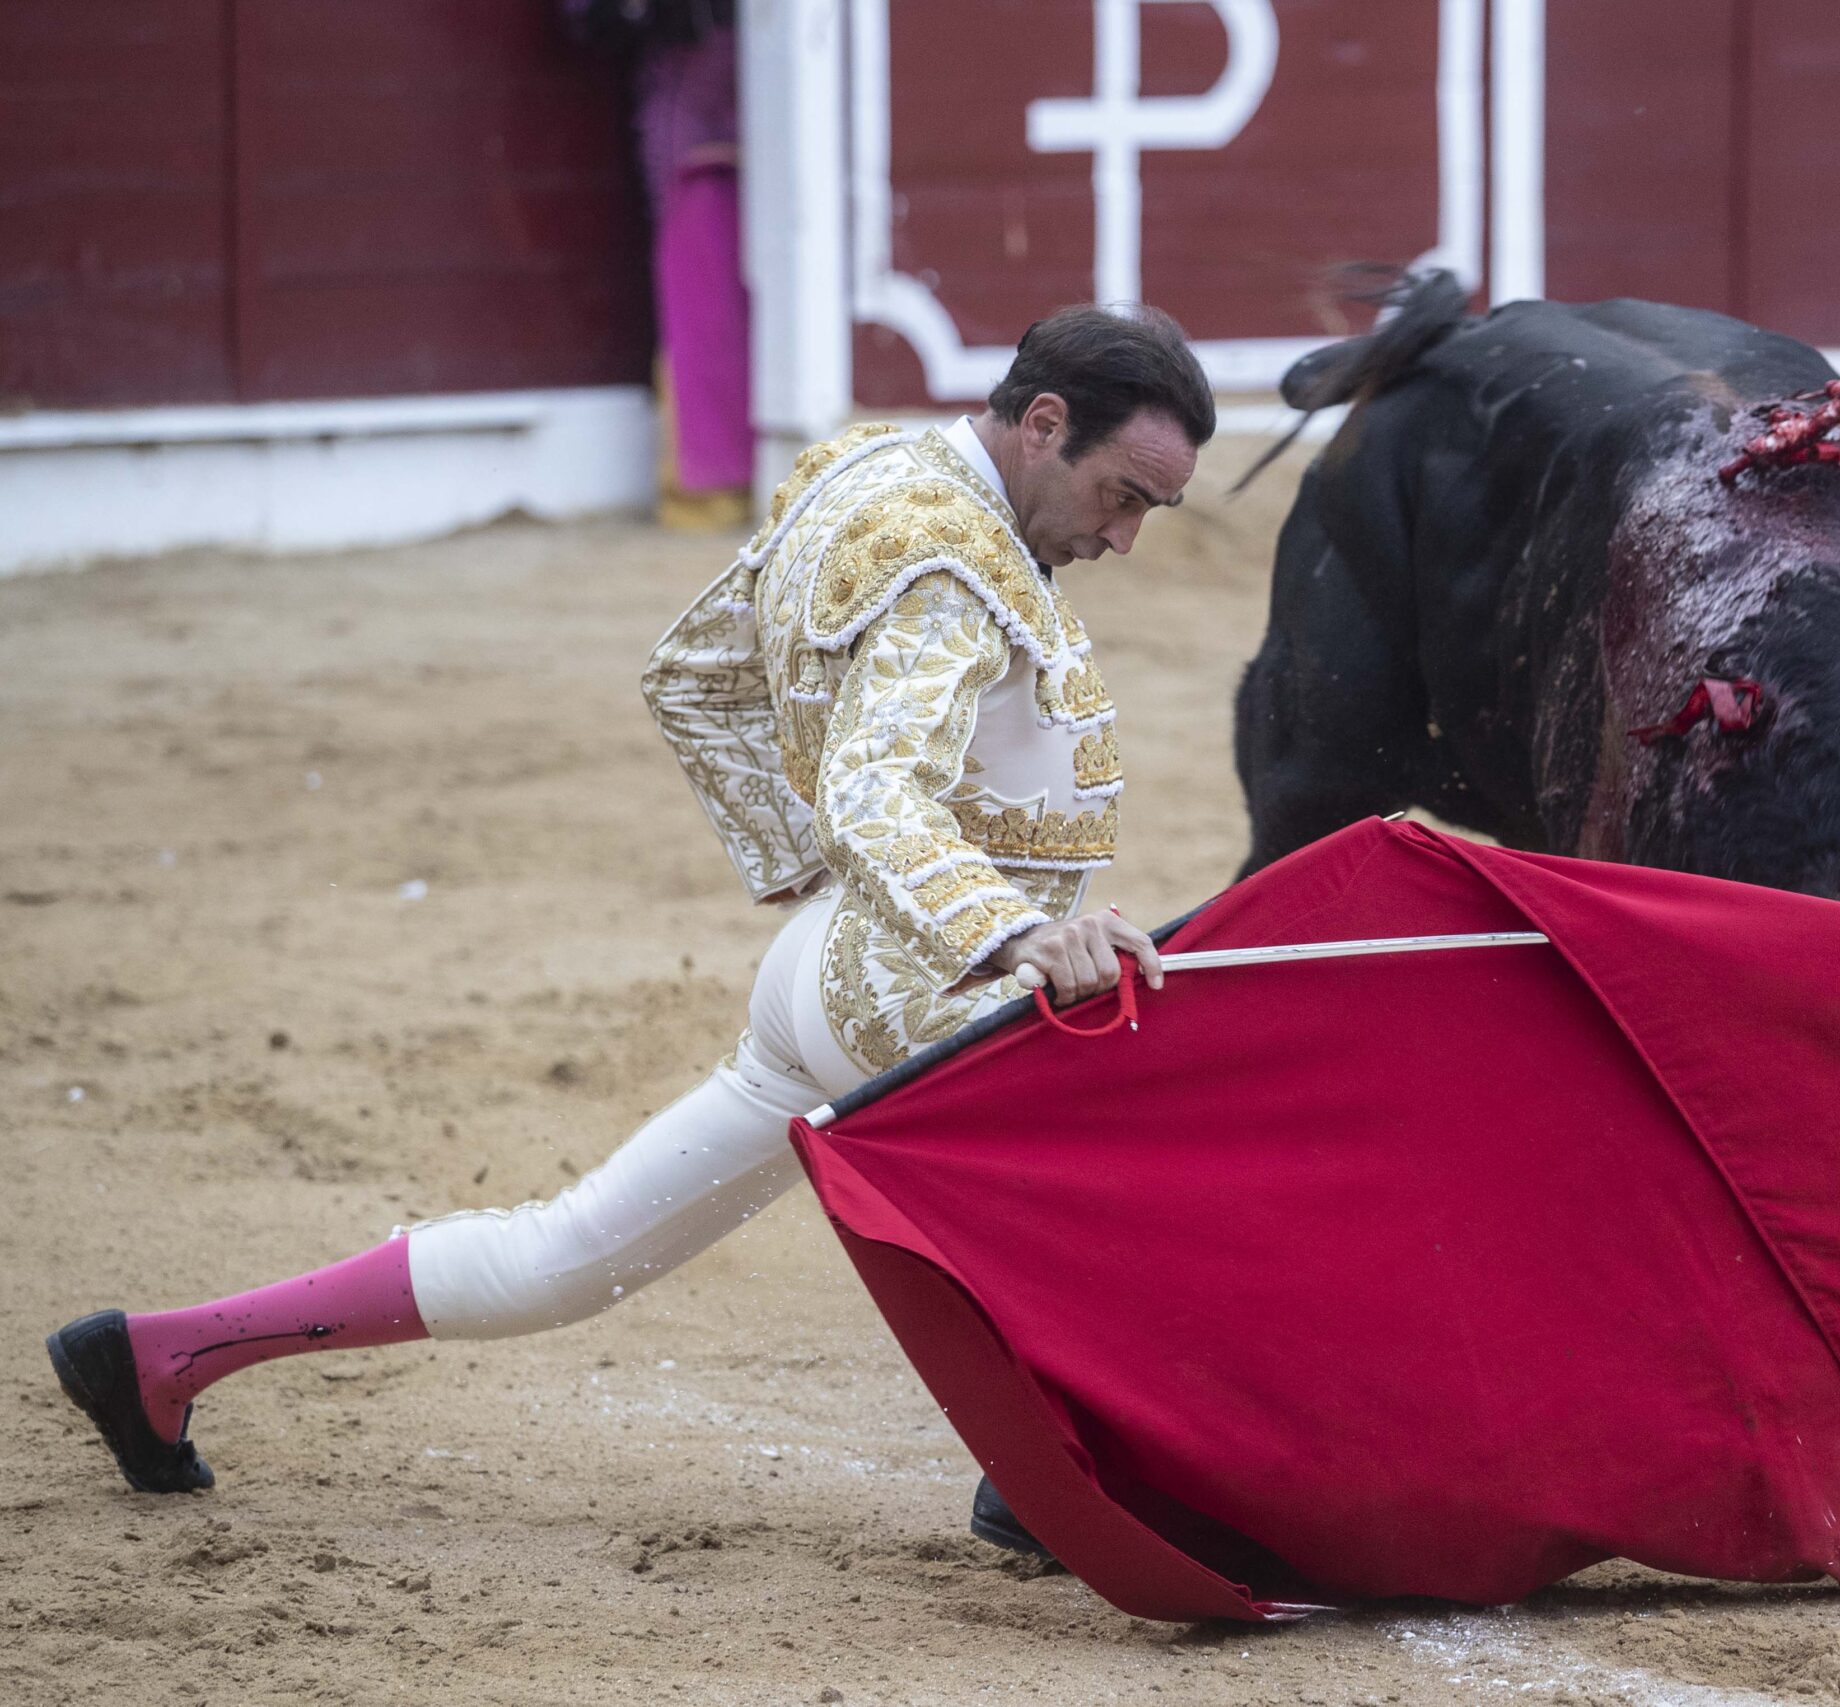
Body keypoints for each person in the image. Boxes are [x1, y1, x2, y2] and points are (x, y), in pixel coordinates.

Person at [46, 306, 1215, 1548]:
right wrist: (1007, 932)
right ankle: (1052, 1476)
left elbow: (695, 673)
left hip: (839, 974)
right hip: (917, 1000)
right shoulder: (950, 569)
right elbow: (876, 784)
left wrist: (812, 874)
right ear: (1043, 426)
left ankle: (161, 1358)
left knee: (571, 1253)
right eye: (1121, 494)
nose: (1125, 538)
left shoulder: (872, 468)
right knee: (1171, 1165)